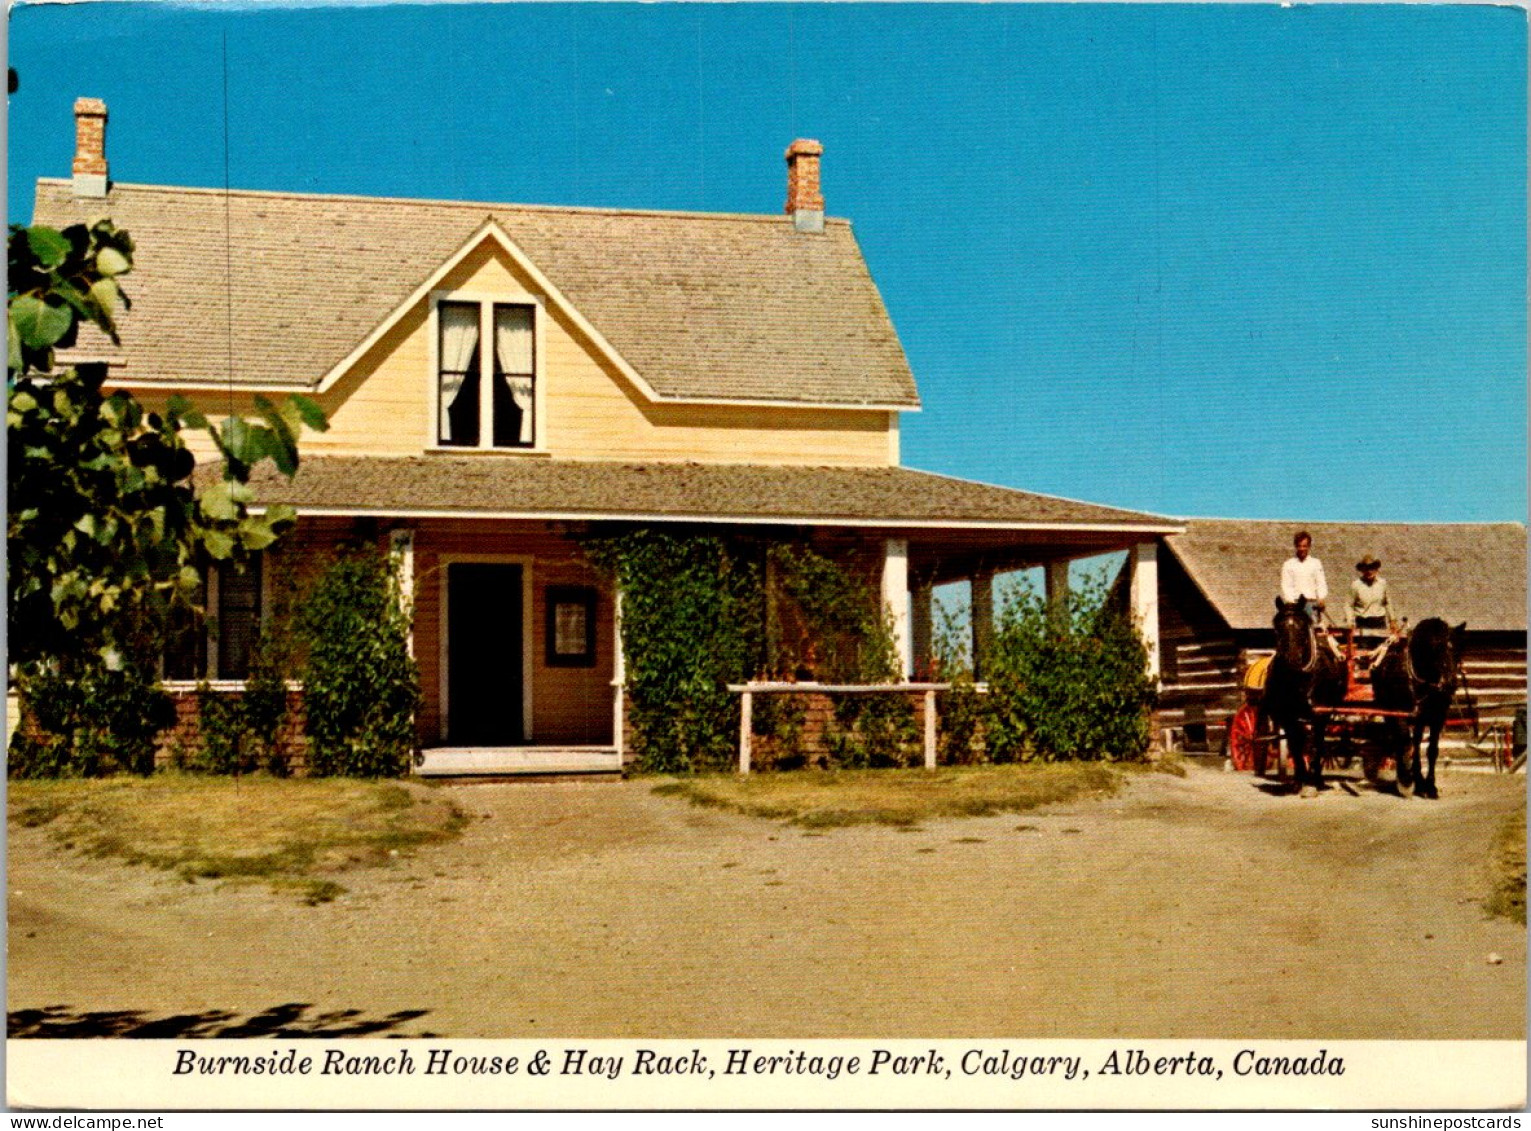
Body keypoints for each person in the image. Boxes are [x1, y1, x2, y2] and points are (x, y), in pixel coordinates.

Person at [1349, 554, 1396, 655]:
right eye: (1366, 569)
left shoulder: (1383, 583)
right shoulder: (1356, 585)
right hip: (1363, 622)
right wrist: (1350, 622)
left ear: (1376, 569)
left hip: (1379, 622)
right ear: (1362, 570)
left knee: (1382, 651)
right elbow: (1349, 605)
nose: (1369, 571)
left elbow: (1388, 602)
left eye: (1372, 568)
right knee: (1363, 653)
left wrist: (1392, 620)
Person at [1280, 531, 1328, 619]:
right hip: (1295, 605)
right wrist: (1291, 603)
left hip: (1311, 604)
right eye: (1299, 546)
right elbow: (1286, 586)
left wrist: (1321, 598)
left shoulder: (1316, 563)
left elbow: (1321, 583)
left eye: (1304, 546)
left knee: (1315, 629)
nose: (1302, 548)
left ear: (1309, 546)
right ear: (1295, 546)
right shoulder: (1288, 564)